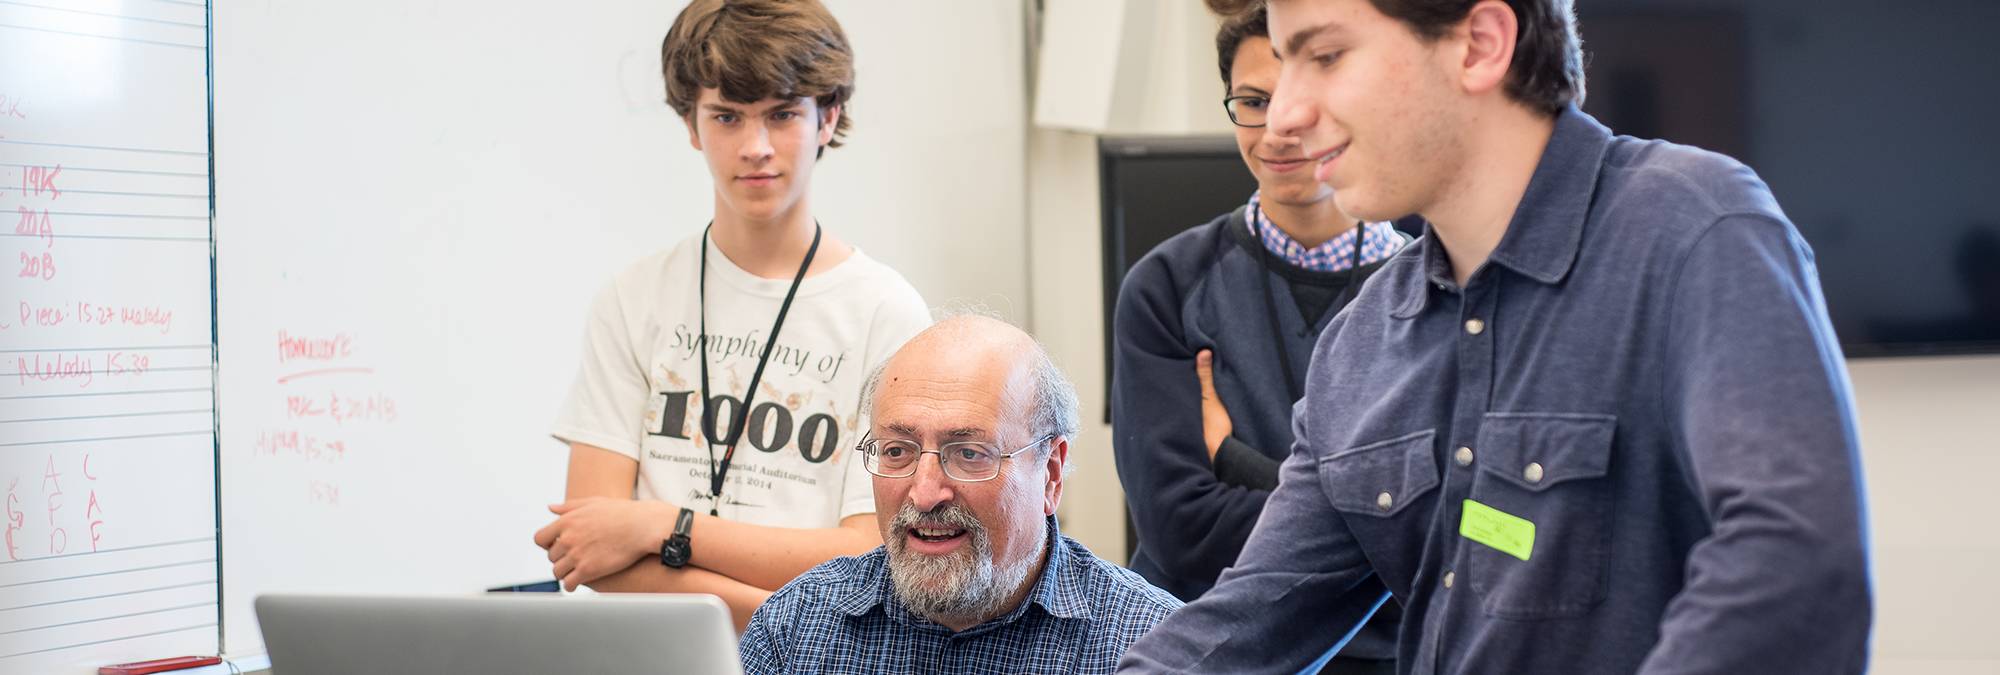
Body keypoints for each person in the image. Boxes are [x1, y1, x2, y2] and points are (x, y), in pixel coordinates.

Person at [1121, 0, 1872, 672]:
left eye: (1324, 56)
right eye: (1281, 71)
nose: (1282, 116)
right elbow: (1250, 617)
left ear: (1479, 44)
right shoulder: (1365, 341)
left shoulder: (1692, 230)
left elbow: (1798, 570)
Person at [533, 0, 931, 630]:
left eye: (782, 115)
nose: (755, 147)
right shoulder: (634, 297)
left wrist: (663, 527)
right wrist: (782, 612)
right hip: (654, 657)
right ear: (691, 124)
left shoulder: (885, 311)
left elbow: (869, 554)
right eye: (727, 117)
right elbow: (588, 545)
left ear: (827, 118)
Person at [1110, 6, 1409, 673]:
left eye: (1304, 99)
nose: (1278, 127)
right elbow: (1180, 530)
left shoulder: (1425, 294)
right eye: (1253, 101)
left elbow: (1432, 538)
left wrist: (1236, 463)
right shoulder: (1164, 287)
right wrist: (1366, 509)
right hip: (1206, 649)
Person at [739, 315, 1182, 674]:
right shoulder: (794, 632)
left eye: (969, 453)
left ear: (1050, 473)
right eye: (897, 451)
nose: (926, 492)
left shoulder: (1153, 650)